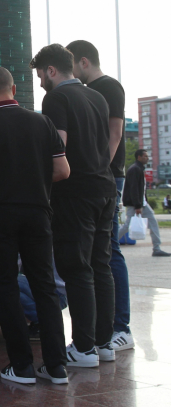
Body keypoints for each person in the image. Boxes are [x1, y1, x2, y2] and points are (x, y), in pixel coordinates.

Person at [0, 65, 70, 384]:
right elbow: (63, 171)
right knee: (44, 286)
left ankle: (21, 366)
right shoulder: (42, 122)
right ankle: (56, 366)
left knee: (6, 286)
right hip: (38, 213)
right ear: (13, 90)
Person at [33, 44, 117, 368]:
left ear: (51, 70)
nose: (41, 82)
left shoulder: (56, 99)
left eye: (41, 75)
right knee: (101, 266)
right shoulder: (97, 97)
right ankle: (103, 343)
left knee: (77, 268)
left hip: (75, 193)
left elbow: (59, 148)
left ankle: (82, 348)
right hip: (104, 188)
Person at [69, 40, 142, 353]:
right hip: (100, 178)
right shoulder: (88, 92)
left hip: (108, 177)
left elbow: (115, 134)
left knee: (109, 251)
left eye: (71, 64)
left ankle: (120, 328)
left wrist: (100, 171)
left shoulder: (109, 88)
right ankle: (102, 327)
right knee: (98, 253)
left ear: (83, 62)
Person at [119, 150, 170, 259]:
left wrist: (142, 202)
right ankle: (108, 243)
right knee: (127, 226)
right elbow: (134, 189)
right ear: (139, 157)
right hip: (136, 204)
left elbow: (141, 189)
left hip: (142, 203)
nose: (148, 158)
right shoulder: (135, 169)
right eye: (145, 156)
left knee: (153, 222)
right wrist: (138, 205)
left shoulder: (139, 169)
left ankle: (157, 248)